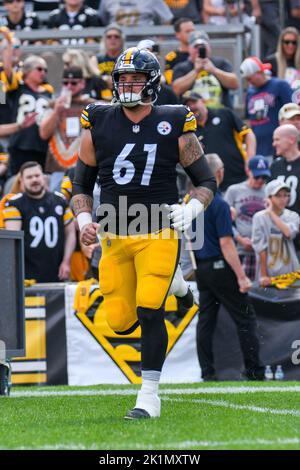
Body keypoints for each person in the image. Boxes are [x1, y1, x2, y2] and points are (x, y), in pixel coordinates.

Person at [71, 47, 217, 419]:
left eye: (135, 78)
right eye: (123, 79)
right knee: (119, 321)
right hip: (115, 235)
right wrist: (84, 220)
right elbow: (81, 184)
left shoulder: (174, 119)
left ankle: (148, 396)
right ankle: (179, 286)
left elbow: (204, 179)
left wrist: (193, 207)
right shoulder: (98, 120)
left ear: (151, 81)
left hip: (159, 229)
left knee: (149, 309)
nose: (128, 85)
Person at [193, 152, 264, 382]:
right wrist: (242, 276)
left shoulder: (192, 202)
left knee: (206, 321)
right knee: (245, 318)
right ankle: (255, 372)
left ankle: (207, 373)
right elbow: (226, 243)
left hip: (201, 267)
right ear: (219, 173)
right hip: (220, 266)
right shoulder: (219, 202)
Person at [3, 161, 76, 282]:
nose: (34, 180)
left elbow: (71, 233)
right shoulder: (13, 204)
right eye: (29, 177)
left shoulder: (60, 201)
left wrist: (66, 262)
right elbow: (13, 241)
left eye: (37, 175)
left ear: (43, 176)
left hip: (57, 269)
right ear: (21, 180)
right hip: (26, 271)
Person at [182, 90, 256, 191]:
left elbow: (248, 134)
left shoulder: (224, 113)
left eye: (194, 102)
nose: (192, 107)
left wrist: (250, 159)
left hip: (239, 176)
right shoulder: (188, 130)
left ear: (203, 101)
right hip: (213, 185)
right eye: (187, 105)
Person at [39, 66, 95, 173]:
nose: (69, 86)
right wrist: (56, 112)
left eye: (73, 83)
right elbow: (43, 134)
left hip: (84, 167)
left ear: (83, 83)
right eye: (65, 83)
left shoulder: (92, 105)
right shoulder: (53, 104)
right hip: (56, 168)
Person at [4, 55, 53, 176]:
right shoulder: (17, 88)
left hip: (42, 146)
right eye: (39, 69)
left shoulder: (48, 92)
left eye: (45, 70)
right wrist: (8, 44)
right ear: (27, 70)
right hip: (20, 144)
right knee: (17, 181)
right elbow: (7, 71)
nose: (43, 72)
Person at [224, 155, 270, 280]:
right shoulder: (234, 190)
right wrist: (240, 239)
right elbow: (224, 221)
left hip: (264, 251)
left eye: (264, 177)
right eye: (257, 176)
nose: (260, 180)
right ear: (248, 171)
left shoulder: (270, 192)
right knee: (239, 290)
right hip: (240, 251)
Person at [240, 55, 293, 160]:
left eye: (250, 78)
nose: (249, 82)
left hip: (278, 147)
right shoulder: (250, 92)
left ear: (259, 72)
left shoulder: (280, 85)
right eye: (247, 80)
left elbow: (292, 112)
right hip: (258, 148)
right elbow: (248, 119)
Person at [252, 179, 300, 286]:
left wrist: (271, 213)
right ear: (269, 198)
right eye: (278, 195)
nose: (283, 199)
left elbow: (288, 233)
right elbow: (260, 248)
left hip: (290, 274)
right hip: (269, 275)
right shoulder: (259, 217)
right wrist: (264, 275)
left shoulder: (293, 216)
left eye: (286, 195)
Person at [172, 30, 239, 108]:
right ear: (189, 49)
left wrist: (214, 70)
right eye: (196, 47)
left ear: (209, 47)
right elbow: (176, 90)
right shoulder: (181, 67)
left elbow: (235, 84)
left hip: (220, 114)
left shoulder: (221, 63)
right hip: (192, 115)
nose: (199, 50)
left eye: (203, 46)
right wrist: (196, 71)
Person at [271, 123, 300, 256]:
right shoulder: (275, 166)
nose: (273, 144)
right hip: (279, 233)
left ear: (291, 140)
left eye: (277, 139)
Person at [90, 24, 125, 101]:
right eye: (109, 37)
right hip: (100, 93)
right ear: (104, 41)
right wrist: (105, 78)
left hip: (122, 93)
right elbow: (94, 73)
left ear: (122, 40)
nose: (113, 39)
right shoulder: (95, 58)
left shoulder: (127, 58)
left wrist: (113, 80)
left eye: (116, 36)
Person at [265, 27, 300, 103]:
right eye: (287, 42)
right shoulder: (271, 61)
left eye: (294, 42)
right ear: (281, 43)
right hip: (278, 102)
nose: (290, 45)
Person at [164, 18, 196, 85]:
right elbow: (170, 82)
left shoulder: (201, 52)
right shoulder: (172, 57)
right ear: (177, 35)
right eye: (188, 31)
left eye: (193, 31)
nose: (192, 34)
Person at [98, 0, 173, 26]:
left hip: (144, 42)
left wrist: (162, 39)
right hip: (116, 43)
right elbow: (102, 20)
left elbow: (168, 20)